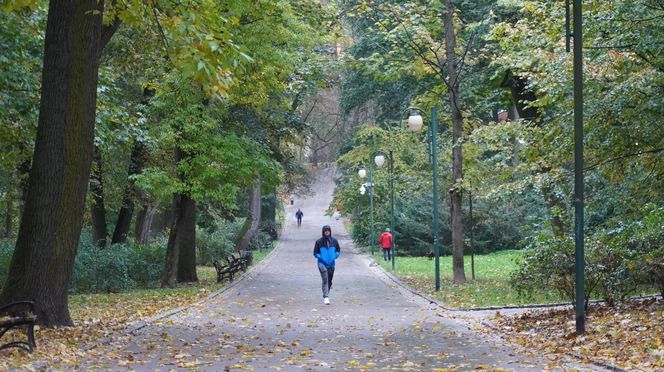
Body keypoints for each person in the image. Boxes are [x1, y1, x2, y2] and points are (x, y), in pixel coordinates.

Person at [313, 225, 340, 305]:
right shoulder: (319, 242)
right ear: (323, 232)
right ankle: (326, 297)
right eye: (325, 231)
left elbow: (338, 250)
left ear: (330, 231)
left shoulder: (334, 241)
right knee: (325, 279)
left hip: (331, 264)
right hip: (321, 263)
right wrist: (321, 257)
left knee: (329, 280)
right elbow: (315, 253)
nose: (327, 232)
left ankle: (326, 292)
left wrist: (335, 255)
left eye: (328, 230)